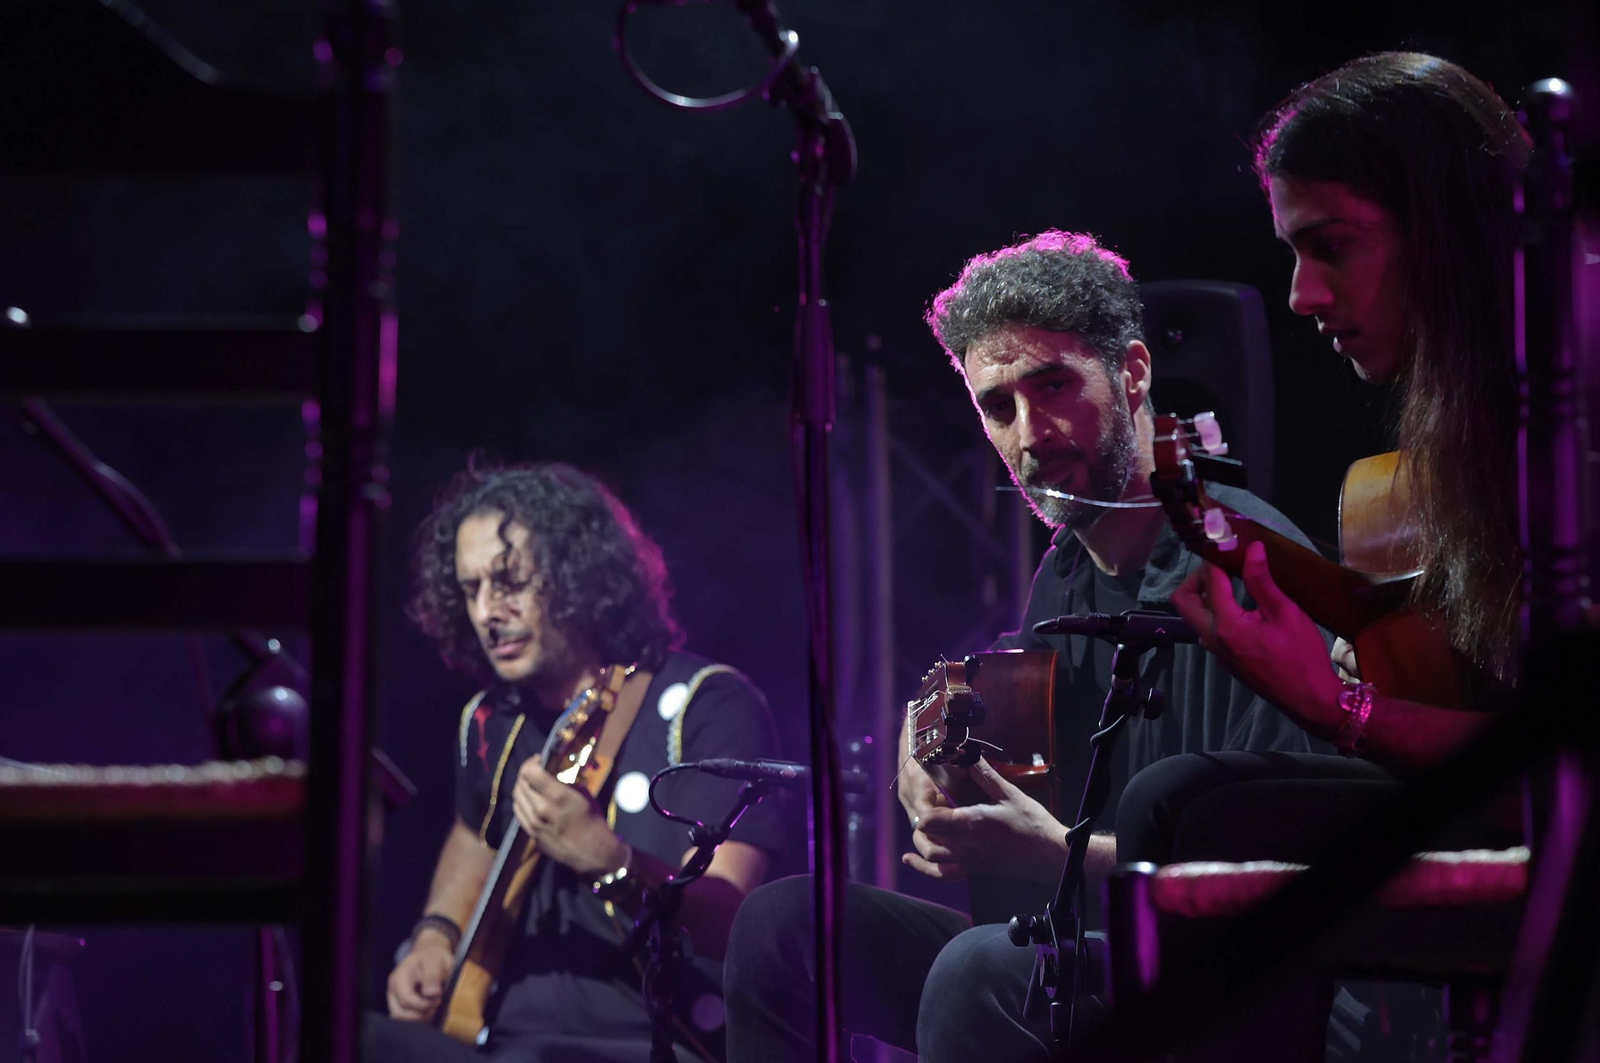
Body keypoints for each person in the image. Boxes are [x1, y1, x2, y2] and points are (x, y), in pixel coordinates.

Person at [722, 230, 1325, 1063]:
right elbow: (999, 688)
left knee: (981, 968)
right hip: (1092, 952)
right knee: (785, 925)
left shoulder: (1254, 571)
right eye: (998, 406)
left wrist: (1055, 855)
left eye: (1054, 386)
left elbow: (1291, 875)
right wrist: (925, 735)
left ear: (1135, 372)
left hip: (1230, 992)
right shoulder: (1067, 571)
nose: (1029, 433)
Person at [1113, 51, 1531, 1059]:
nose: (1300, 294)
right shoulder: (1465, 424)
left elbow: (1550, 771)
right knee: (1171, 795)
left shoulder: (1558, 415)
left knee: (1224, 828)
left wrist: (1337, 706)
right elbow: (1429, 639)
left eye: (1331, 246)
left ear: (1449, 229)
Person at [368, 461, 784, 1063]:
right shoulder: (491, 721)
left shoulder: (708, 703)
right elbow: (473, 842)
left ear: (577, 576)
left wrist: (608, 858)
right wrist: (434, 939)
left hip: (651, 1047)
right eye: (470, 589)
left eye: (509, 582)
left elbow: (730, 921)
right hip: (496, 1042)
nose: (486, 612)